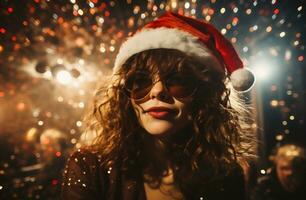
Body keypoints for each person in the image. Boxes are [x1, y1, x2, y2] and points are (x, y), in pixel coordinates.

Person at [61, 12, 256, 200]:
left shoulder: (225, 175)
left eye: (177, 80)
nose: (157, 91)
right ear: (125, 95)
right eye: (140, 81)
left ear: (206, 96)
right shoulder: (91, 167)